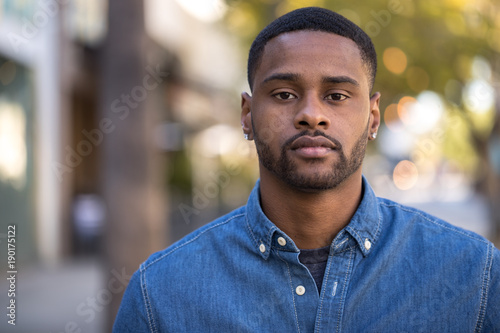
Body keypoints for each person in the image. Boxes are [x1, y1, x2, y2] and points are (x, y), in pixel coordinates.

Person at [113, 7, 499, 332]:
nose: (312, 115)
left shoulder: (473, 276)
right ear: (247, 115)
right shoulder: (161, 294)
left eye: (337, 96)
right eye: (284, 94)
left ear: (373, 117)